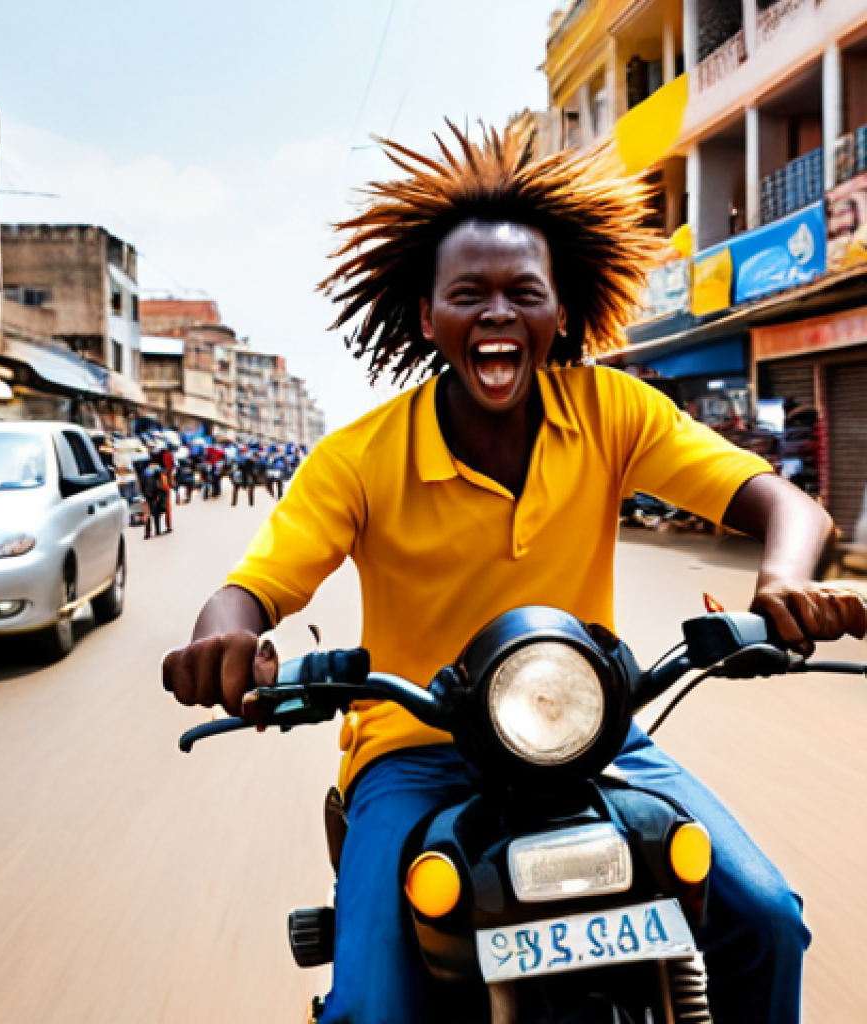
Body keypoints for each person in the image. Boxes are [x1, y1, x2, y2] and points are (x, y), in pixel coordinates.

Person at [162, 123, 867, 1023]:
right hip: (412, 753)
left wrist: (781, 584)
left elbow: (787, 508)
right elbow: (254, 585)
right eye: (468, 294)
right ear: (427, 317)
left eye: (522, 293)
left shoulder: (615, 412)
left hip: (587, 733)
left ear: (560, 312)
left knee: (767, 921)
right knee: (370, 1010)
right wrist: (221, 638)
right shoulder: (358, 457)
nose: (497, 312)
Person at [142, 455, 169, 539]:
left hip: (146, 495)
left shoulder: (145, 472)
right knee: (156, 513)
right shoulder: (157, 471)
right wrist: (157, 495)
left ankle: (147, 532)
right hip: (154, 495)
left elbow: (142, 485)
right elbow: (158, 484)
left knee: (147, 514)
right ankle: (157, 530)